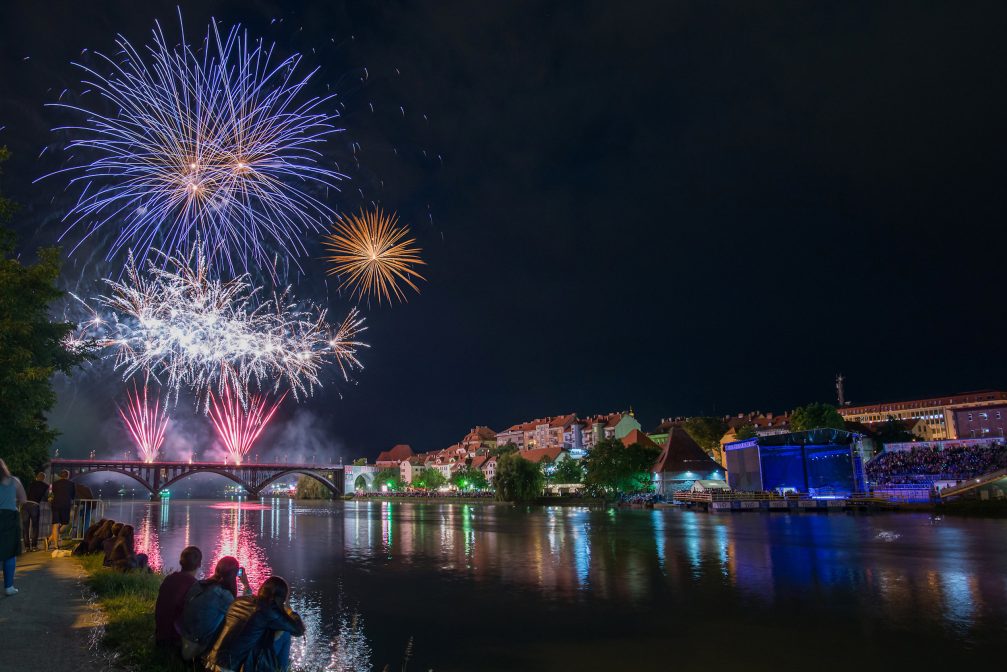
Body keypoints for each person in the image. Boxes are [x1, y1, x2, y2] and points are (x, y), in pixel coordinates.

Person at [204, 576, 305, 672]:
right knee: (285, 634)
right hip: (232, 667)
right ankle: (282, 669)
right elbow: (299, 630)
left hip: (213, 660)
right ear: (280, 598)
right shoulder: (269, 610)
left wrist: (246, 585)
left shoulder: (239, 601)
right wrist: (289, 611)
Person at [179, 556, 251, 662]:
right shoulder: (223, 595)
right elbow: (244, 611)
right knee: (237, 623)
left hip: (182, 639)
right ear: (234, 575)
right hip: (194, 649)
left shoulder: (200, 584)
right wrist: (246, 584)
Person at [155, 546, 203, 648]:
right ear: (199, 564)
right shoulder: (194, 586)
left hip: (160, 636)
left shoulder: (169, 579)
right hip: (175, 641)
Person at [0, 459, 27, 596]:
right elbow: (23, 499)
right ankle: (9, 587)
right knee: (9, 553)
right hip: (10, 518)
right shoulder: (14, 481)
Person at [21, 473, 48, 552]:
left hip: (25, 505)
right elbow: (46, 497)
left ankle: (27, 547)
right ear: (43, 478)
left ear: (36, 477)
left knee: (25, 527)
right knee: (35, 527)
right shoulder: (45, 486)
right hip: (35, 505)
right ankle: (34, 546)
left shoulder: (30, 483)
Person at [49, 470, 75, 550]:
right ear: (68, 476)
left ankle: (53, 543)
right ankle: (53, 543)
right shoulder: (71, 484)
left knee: (55, 524)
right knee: (65, 523)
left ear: (60, 476)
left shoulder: (54, 484)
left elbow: (52, 493)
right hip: (65, 505)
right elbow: (73, 496)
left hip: (55, 505)